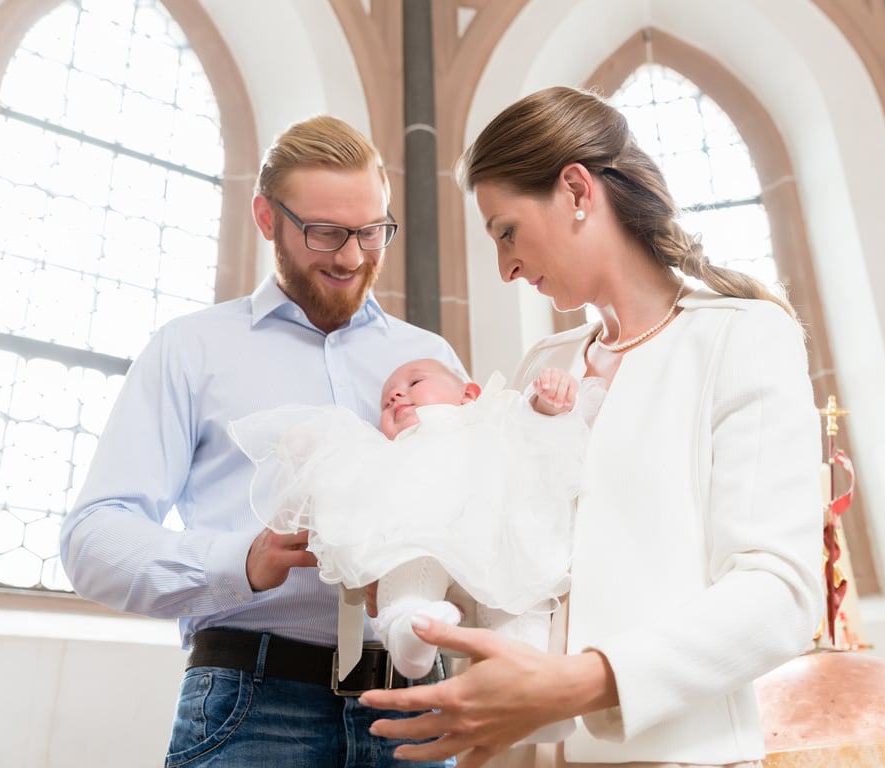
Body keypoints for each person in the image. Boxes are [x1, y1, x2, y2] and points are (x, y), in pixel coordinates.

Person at [358, 85, 825, 768]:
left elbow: (779, 593)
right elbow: (516, 555)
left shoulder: (740, 336)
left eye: (506, 231)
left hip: (671, 755)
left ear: (577, 190)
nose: (506, 267)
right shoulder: (542, 364)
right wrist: (418, 566)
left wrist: (578, 685)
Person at [59, 115, 463, 768]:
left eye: (371, 231)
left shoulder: (428, 359)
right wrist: (240, 562)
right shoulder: (190, 349)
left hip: (414, 703)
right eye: (326, 233)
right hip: (252, 703)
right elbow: (93, 541)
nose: (353, 257)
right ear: (266, 217)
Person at [229, 358, 598, 744]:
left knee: (518, 611)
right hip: (422, 540)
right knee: (403, 559)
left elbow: (535, 432)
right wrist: (308, 451)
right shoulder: (389, 455)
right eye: (387, 403)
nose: (395, 395)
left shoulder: (493, 419)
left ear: (469, 395)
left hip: (505, 546)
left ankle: (531, 696)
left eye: (415, 381)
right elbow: (338, 476)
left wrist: (548, 402)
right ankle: (410, 628)